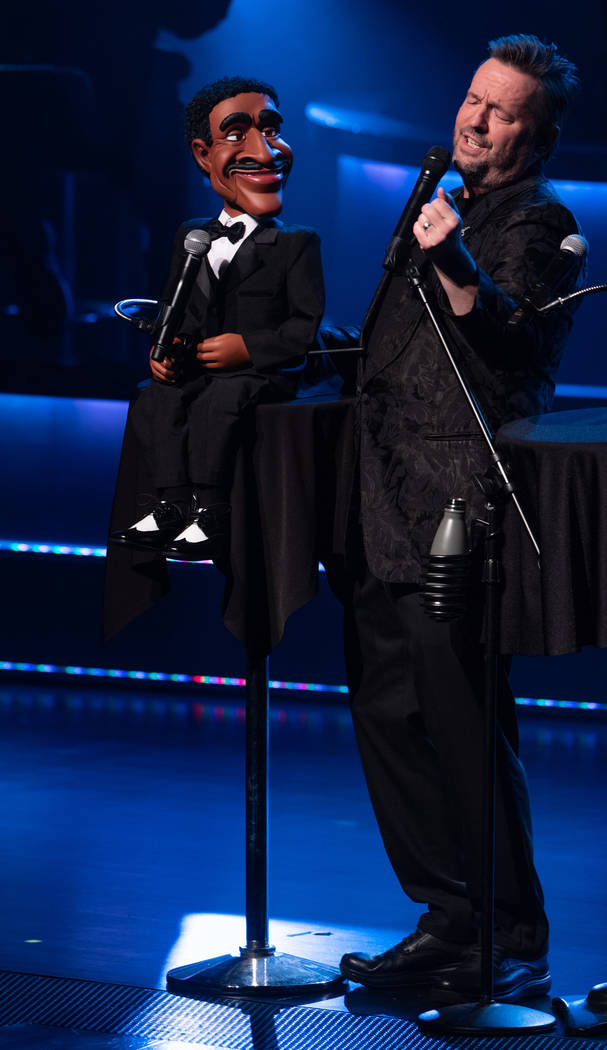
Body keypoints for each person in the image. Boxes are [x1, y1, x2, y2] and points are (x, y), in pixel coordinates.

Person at [339, 35, 585, 1003]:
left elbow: (509, 348)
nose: (474, 119)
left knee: (465, 724)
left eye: (502, 110)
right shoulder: (442, 196)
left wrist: (455, 260)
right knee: (390, 718)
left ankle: (511, 931)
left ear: (539, 133)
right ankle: (446, 917)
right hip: (376, 500)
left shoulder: (543, 221)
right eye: (472, 99)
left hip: (457, 508)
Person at [111, 76, 324, 561]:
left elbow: (303, 328)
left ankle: (210, 511)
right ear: (204, 154)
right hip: (200, 366)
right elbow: (176, 308)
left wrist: (248, 348)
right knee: (158, 398)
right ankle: (168, 505)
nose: (265, 150)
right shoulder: (192, 235)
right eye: (237, 134)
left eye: (271, 130)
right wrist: (166, 350)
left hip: (258, 373)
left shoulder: (296, 244)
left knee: (220, 402)